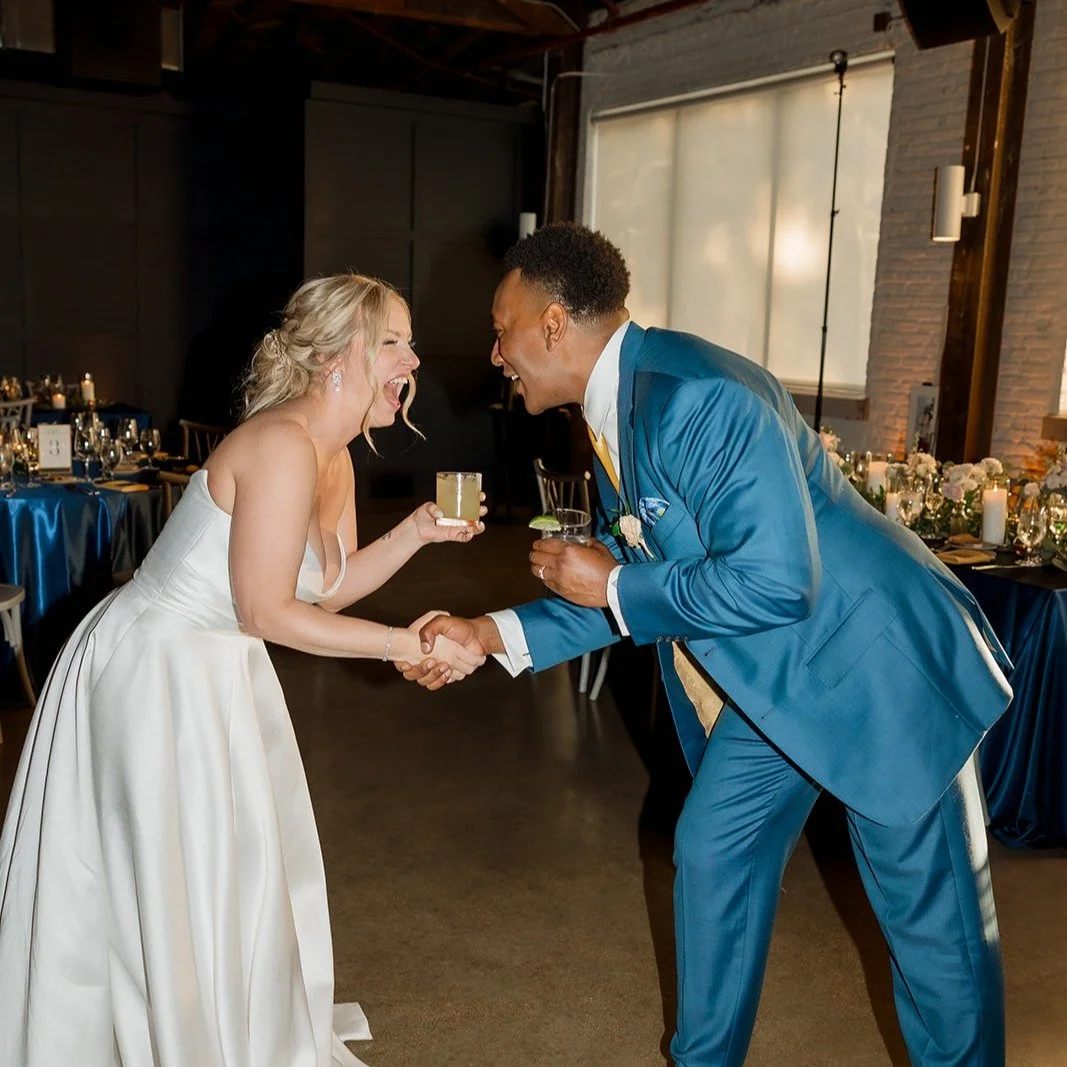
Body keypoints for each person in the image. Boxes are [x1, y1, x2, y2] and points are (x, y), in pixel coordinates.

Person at [405, 224, 1013, 1066]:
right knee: (712, 849)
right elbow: (648, 571)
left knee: (932, 933)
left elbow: (773, 580)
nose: (495, 352)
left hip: (875, 673)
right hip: (776, 680)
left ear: (551, 322)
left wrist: (611, 583)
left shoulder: (694, 394)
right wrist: (489, 631)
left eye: (501, 329)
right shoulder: (622, 405)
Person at [0, 274, 486, 1067]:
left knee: (225, 861)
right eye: (394, 340)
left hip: (218, 670)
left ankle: (212, 1018)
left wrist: (417, 534)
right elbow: (265, 611)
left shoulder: (333, 457)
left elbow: (324, 586)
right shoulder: (282, 443)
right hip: (155, 667)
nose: (414, 357)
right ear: (340, 357)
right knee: (161, 867)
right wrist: (405, 645)